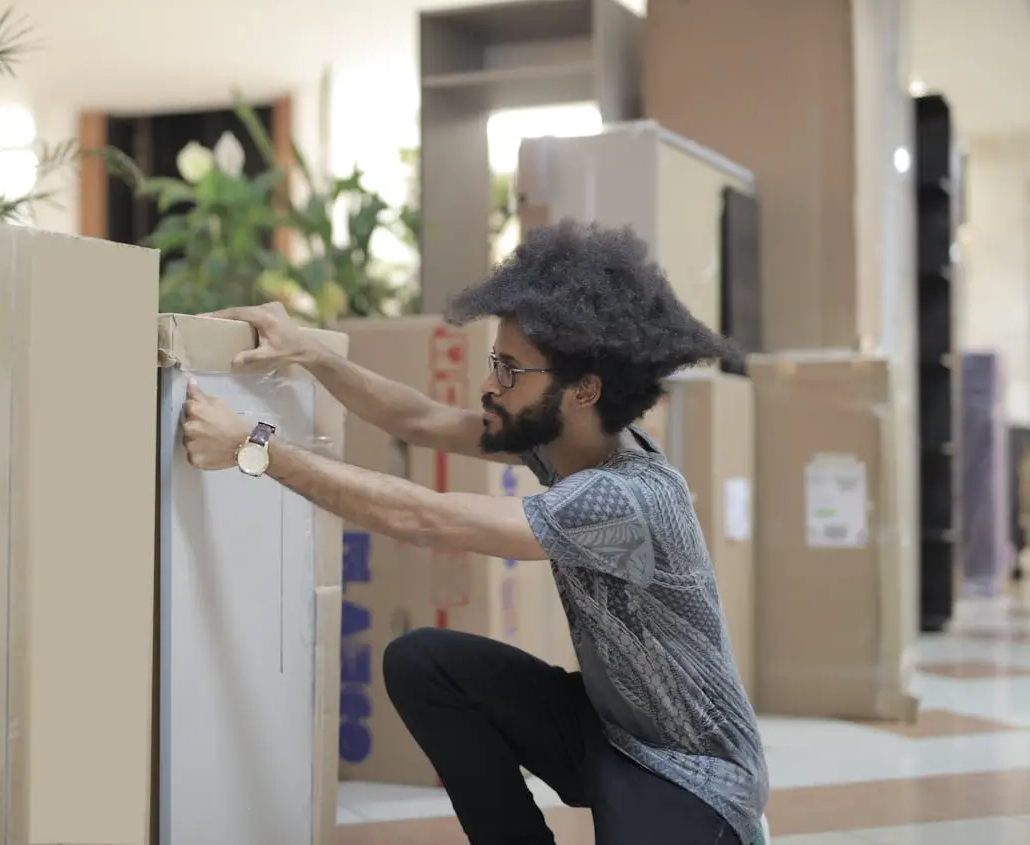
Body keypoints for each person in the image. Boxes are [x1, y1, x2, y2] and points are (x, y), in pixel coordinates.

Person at [179, 220, 769, 845]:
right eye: (496, 362)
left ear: (584, 390)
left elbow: (427, 518)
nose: (490, 385)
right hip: (609, 730)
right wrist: (309, 351)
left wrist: (255, 447)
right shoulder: (562, 440)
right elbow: (420, 418)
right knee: (424, 664)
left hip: (695, 774)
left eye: (511, 370)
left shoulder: (625, 497)